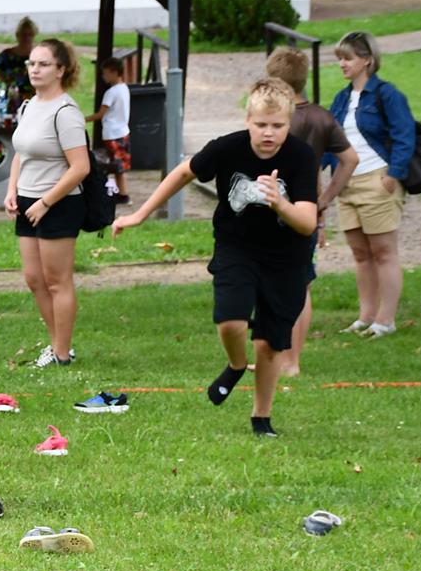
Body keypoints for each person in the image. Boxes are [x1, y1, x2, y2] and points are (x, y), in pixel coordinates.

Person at [114, 78, 317, 438]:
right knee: (230, 322)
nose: (268, 133)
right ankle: (237, 364)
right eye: (261, 125)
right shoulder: (227, 148)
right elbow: (182, 172)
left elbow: (307, 223)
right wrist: (140, 214)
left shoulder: (300, 157)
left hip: (287, 258)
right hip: (236, 248)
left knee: (270, 343)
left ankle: (261, 417)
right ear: (247, 120)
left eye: (278, 126)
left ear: (289, 124)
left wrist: (279, 203)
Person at [264, 47, 358, 374]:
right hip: (308, 211)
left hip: (272, 212)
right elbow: (350, 159)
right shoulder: (322, 117)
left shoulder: (274, 120)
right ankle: (292, 361)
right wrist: (326, 200)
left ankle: (279, 357)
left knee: (273, 284)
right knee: (301, 285)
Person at [5, 37, 91, 368]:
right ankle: (56, 344)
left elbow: (80, 168)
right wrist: (12, 190)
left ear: (61, 69)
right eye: (31, 63)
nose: (35, 69)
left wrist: (45, 201)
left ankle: (62, 353)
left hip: (59, 202)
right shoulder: (29, 106)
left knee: (57, 281)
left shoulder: (66, 112)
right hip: (27, 201)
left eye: (43, 64)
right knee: (34, 278)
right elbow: (21, 154)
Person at [327, 30, 415, 338]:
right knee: (360, 253)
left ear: (367, 60)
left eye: (348, 58)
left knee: (383, 252)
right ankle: (365, 316)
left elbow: (405, 135)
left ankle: (385, 319)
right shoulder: (341, 98)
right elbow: (330, 140)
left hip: (377, 179)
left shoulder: (387, 94)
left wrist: (394, 174)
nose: (342, 64)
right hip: (346, 184)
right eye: (339, 58)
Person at [87, 55, 131, 204]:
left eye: (105, 73)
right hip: (123, 132)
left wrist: (82, 119)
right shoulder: (124, 88)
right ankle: (121, 194)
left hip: (112, 134)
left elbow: (100, 114)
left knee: (112, 165)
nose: (103, 76)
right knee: (119, 164)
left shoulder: (111, 93)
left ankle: (122, 195)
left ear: (113, 72)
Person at [0, 17, 39, 119]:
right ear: (17, 36)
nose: (27, 38)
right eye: (23, 35)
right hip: (13, 96)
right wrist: (2, 78)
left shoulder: (38, 54)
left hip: (33, 96)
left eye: (30, 34)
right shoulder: (8, 54)